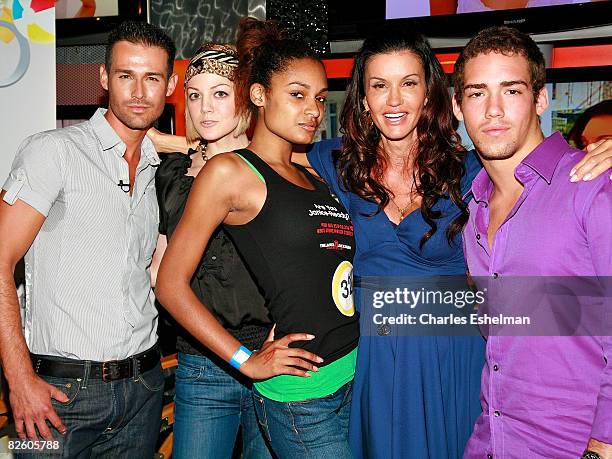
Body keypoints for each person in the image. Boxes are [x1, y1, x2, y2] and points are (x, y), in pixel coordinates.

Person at [150, 25, 612, 458]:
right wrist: (168, 142)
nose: (394, 100)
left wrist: (602, 149)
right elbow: (255, 156)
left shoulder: (471, 170)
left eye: (409, 83)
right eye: (378, 86)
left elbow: (538, 172)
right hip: (369, 364)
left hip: (452, 361)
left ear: (431, 93)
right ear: (362, 97)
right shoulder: (329, 163)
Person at [155, 17, 359, 458]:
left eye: (319, 99)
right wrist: (245, 360)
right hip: (300, 397)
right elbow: (169, 284)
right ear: (260, 95)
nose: (312, 109)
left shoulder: (313, 176)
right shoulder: (229, 173)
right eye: (298, 94)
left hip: (349, 377)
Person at [0, 20, 177, 457]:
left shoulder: (157, 168)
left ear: (170, 84)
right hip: (57, 393)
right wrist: (19, 380)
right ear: (103, 79)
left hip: (143, 386)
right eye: (125, 75)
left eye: (152, 78)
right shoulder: (52, 152)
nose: (138, 91)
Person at [452, 26, 612, 458]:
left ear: (540, 99)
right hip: (493, 439)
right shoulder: (474, 211)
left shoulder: (593, 185)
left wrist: (602, 446)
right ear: (458, 105)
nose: (494, 110)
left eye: (512, 90)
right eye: (477, 93)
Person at [150, 42, 273, 458]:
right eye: (195, 95)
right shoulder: (172, 174)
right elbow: (158, 270)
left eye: (220, 93)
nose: (206, 108)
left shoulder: (272, 168)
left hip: (270, 360)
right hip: (201, 362)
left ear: (245, 97)